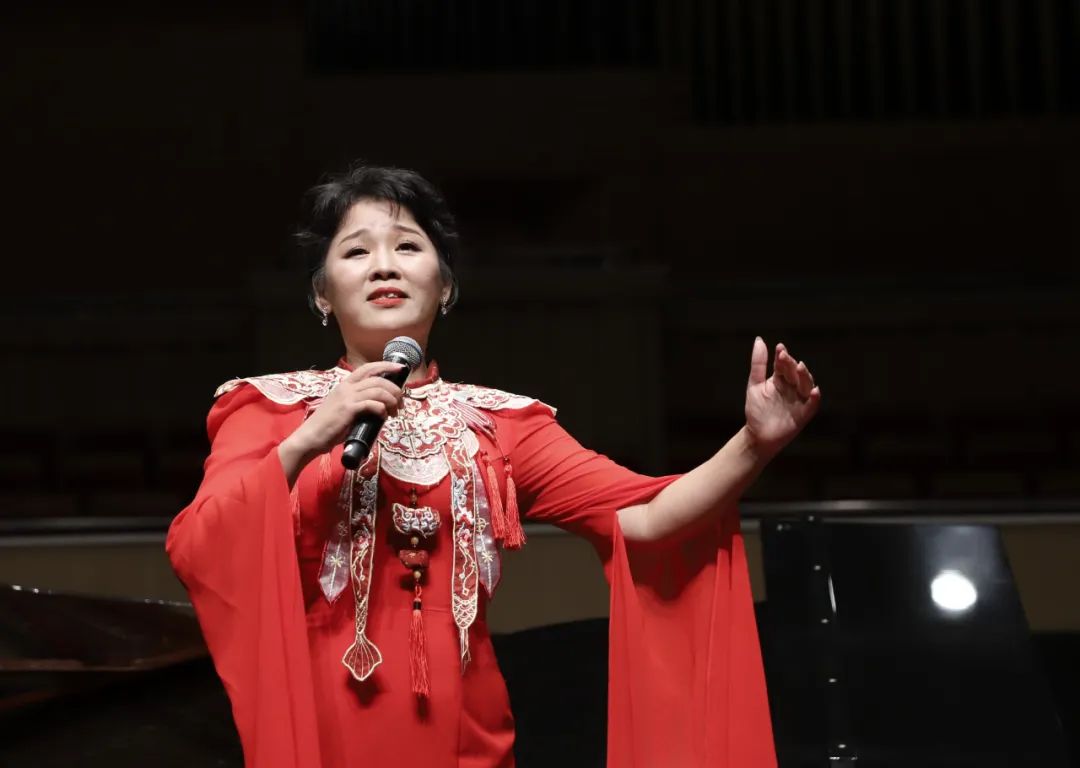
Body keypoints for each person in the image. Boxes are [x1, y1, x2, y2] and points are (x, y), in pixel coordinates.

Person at [166, 163, 821, 768]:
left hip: (468, 738)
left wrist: (754, 443)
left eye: (408, 246)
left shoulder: (501, 423)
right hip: (322, 731)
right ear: (321, 295)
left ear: (446, 286)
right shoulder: (266, 408)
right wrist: (308, 439)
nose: (384, 265)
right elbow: (200, 546)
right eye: (356, 251)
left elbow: (646, 518)